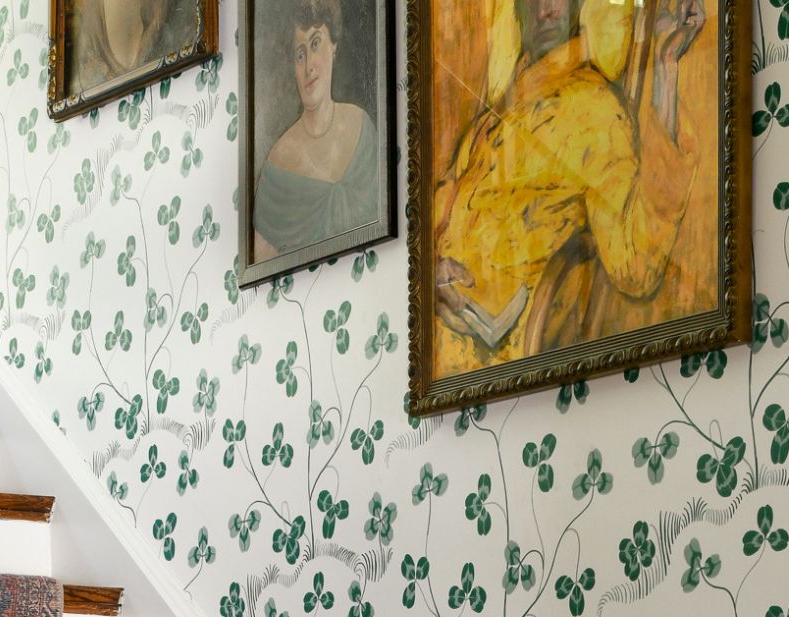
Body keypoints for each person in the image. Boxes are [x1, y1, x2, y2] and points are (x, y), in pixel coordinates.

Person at [426, 0, 708, 372]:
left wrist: (665, 67)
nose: (545, 9)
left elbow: (636, 265)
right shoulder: (498, 112)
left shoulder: (595, 108)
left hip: (501, 360)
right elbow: (444, 205)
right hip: (435, 347)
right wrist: (431, 271)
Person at [251, 0, 384, 262]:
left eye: (315, 43)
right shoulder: (277, 164)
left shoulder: (362, 128)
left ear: (333, 46)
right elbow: (262, 274)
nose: (309, 66)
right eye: (300, 55)